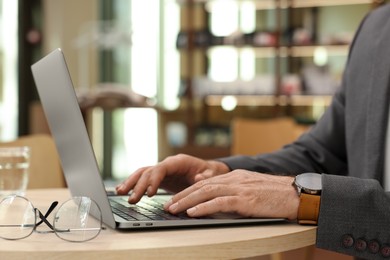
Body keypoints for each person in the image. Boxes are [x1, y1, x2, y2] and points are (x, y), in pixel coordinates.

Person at [116, 4, 390, 259]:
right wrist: (217, 173)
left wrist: (308, 198)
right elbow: (320, 153)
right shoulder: (377, 28)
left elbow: (311, 187)